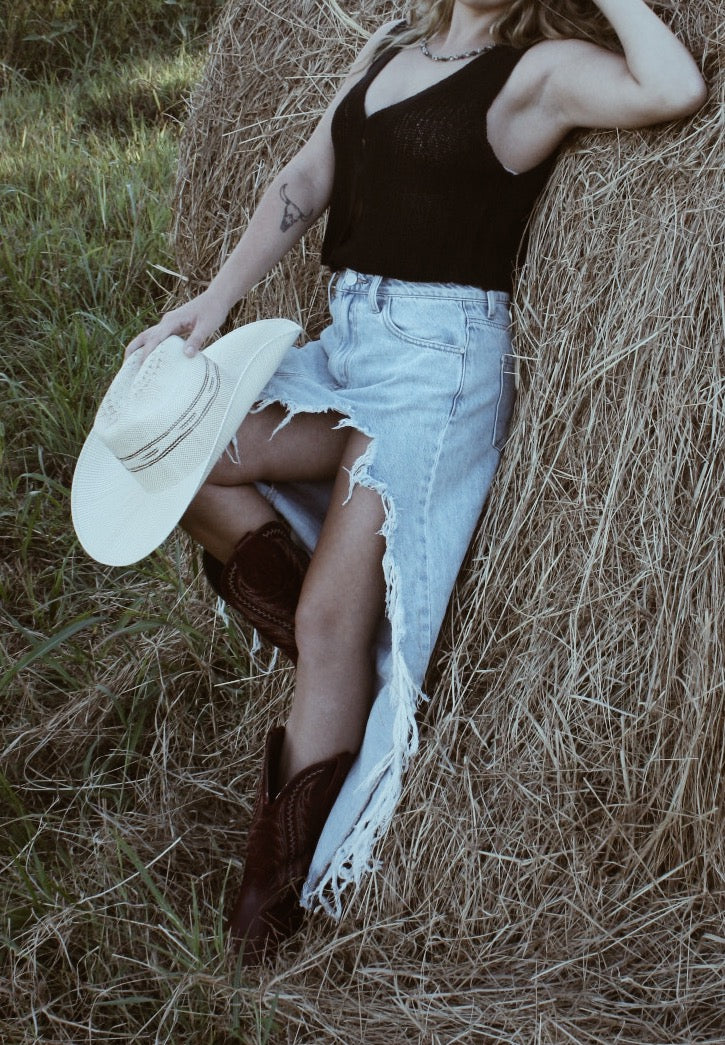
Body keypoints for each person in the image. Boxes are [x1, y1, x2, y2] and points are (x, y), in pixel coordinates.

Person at [126, 0, 706, 964]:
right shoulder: (392, 43)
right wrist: (213, 301)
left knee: (325, 627)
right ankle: (341, 648)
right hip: (348, 342)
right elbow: (304, 177)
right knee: (187, 454)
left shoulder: (535, 74)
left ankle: (269, 908)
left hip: (437, 365)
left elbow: (673, 85)